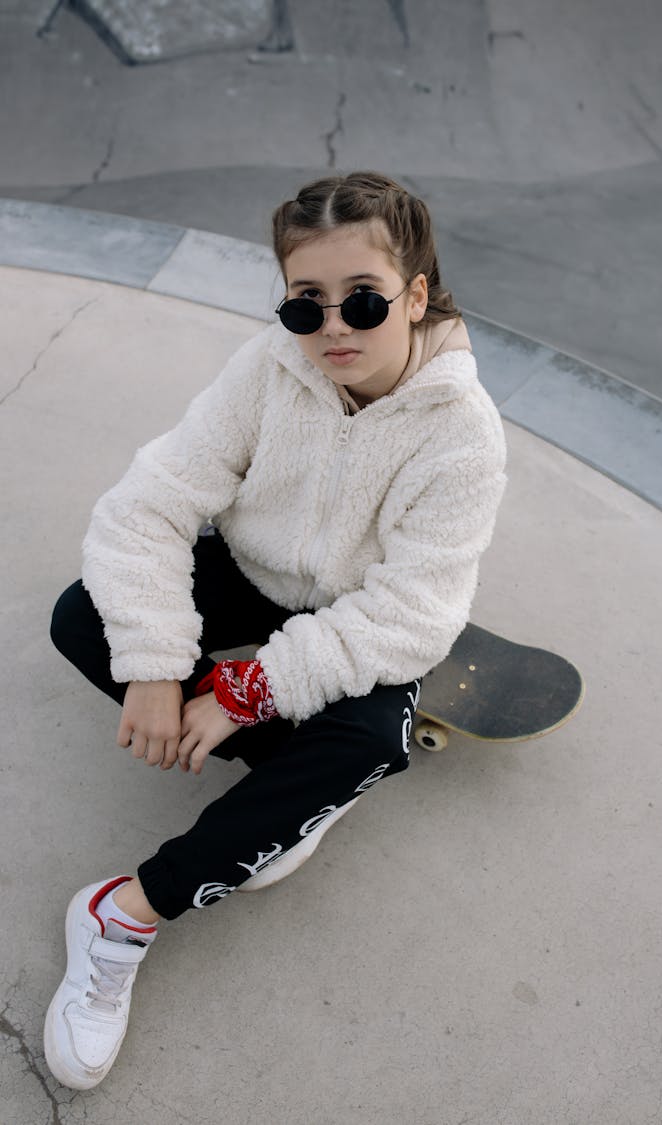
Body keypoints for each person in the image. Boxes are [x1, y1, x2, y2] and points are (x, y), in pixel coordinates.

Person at [43, 171, 507, 1090]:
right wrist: (153, 663)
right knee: (80, 618)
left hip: (357, 605)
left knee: (376, 736)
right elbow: (148, 505)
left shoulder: (464, 437)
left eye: (364, 302)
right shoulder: (269, 368)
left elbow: (408, 616)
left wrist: (246, 688)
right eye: (308, 304)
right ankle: (297, 786)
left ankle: (123, 912)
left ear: (415, 296)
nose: (333, 327)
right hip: (256, 570)